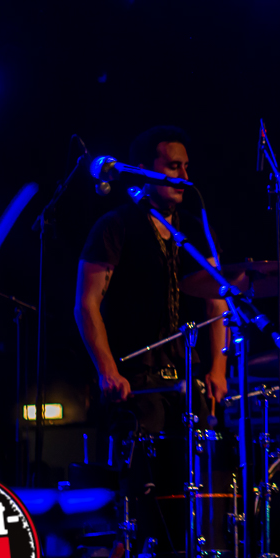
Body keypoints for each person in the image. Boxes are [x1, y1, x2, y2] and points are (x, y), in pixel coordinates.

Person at [75, 126, 228, 437]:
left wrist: (218, 370)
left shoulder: (196, 231)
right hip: (134, 379)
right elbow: (87, 304)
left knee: (201, 461)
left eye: (186, 166)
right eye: (174, 166)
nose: (184, 175)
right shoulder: (115, 226)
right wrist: (107, 371)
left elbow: (217, 303)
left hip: (187, 376)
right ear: (143, 171)